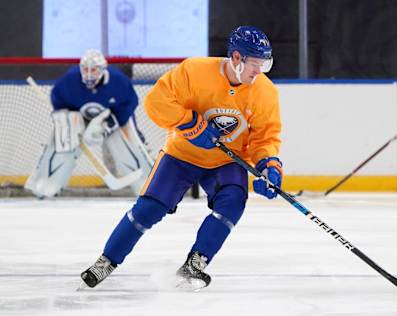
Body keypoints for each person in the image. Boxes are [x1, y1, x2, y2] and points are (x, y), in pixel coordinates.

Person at [80, 26, 283, 290]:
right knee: (148, 209)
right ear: (236, 58)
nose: (259, 72)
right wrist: (190, 124)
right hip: (181, 154)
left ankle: (195, 263)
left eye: (264, 64)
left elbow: (264, 138)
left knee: (232, 202)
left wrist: (269, 165)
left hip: (224, 161)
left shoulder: (264, 92)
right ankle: (106, 261)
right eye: (255, 64)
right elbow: (156, 102)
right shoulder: (194, 71)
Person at [25, 49, 154, 198]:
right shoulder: (69, 81)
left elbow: (129, 104)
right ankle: (49, 181)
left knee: (126, 142)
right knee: (63, 136)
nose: (89, 73)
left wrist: (106, 127)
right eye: (85, 69)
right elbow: (58, 101)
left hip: (110, 117)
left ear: (103, 69)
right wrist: (70, 123)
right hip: (78, 115)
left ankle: (145, 183)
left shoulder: (118, 82)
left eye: (93, 69)